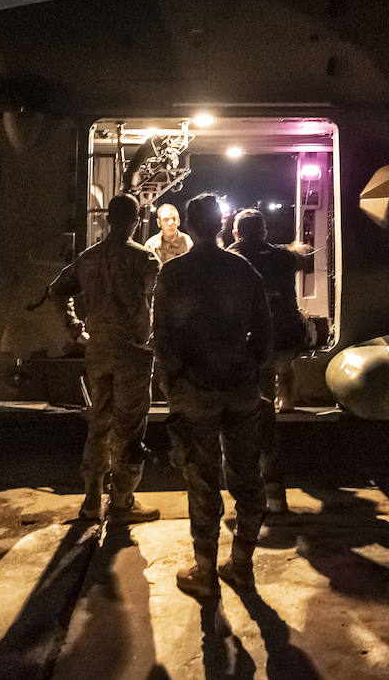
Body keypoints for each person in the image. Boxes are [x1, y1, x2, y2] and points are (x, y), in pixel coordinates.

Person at [153, 192, 273, 598]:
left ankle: (204, 571)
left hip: (196, 392)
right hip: (240, 389)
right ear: (222, 225)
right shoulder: (243, 271)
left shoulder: (173, 274)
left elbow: (163, 340)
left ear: (188, 225)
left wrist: (174, 385)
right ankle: (241, 566)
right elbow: (265, 333)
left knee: (203, 483)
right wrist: (251, 372)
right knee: (247, 479)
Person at [49, 192, 162, 524]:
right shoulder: (145, 260)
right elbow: (161, 302)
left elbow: (57, 291)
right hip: (134, 352)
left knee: (99, 422)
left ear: (108, 219)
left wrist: (75, 329)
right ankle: (123, 502)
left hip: (97, 349)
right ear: (136, 221)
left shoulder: (88, 258)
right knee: (130, 426)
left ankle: (91, 500)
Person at [226, 208, 315, 514]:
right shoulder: (281, 256)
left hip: (253, 342)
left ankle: (255, 494)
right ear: (263, 232)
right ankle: (276, 496)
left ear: (236, 233)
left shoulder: (231, 258)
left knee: (257, 418)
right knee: (283, 366)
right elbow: (303, 255)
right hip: (287, 336)